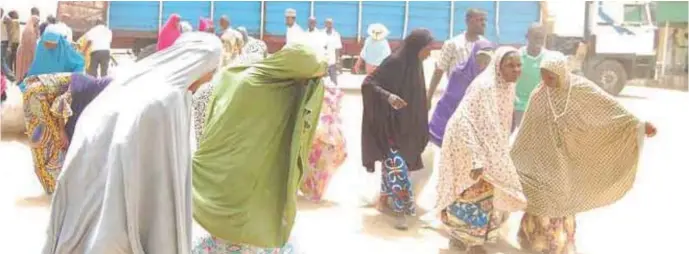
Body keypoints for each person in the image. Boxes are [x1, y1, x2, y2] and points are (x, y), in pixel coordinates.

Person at [42, 32, 222, 254]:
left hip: (88, 182)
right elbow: (155, 179)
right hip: (116, 200)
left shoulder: (141, 80)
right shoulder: (166, 98)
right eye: (211, 71)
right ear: (199, 64)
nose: (210, 78)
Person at [511, 54, 657, 254]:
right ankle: (534, 244)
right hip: (541, 161)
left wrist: (637, 126)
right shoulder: (540, 94)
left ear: (561, 73)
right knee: (539, 199)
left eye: (551, 77)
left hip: (568, 161)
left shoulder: (581, 89)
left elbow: (611, 110)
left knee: (560, 200)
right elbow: (527, 130)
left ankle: (558, 245)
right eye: (543, 75)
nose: (546, 81)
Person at [191, 43, 326, 252]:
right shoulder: (257, 85)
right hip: (239, 174)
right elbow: (311, 61)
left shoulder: (240, 80)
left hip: (223, 174)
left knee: (228, 232)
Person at [436, 47, 527, 254]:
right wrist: (476, 158)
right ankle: (459, 239)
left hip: (485, 145)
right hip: (465, 143)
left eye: (519, 65)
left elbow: (499, 125)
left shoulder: (507, 86)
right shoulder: (485, 87)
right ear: (498, 66)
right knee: (468, 190)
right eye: (510, 65)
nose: (516, 70)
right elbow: (468, 122)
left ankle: (475, 241)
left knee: (486, 192)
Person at [361, 28, 434, 230]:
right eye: (428, 48)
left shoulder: (415, 64)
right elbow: (368, 83)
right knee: (397, 166)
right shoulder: (395, 62)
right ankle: (400, 210)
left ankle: (384, 200)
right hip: (391, 126)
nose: (430, 52)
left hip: (408, 127)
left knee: (394, 165)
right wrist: (389, 97)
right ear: (416, 47)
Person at [21, 73, 113, 195]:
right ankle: (53, 190)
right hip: (37, 96)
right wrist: (61, 130)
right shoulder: (85, 89)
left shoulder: (90, 87)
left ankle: (51, 187)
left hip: (36, 93)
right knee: (52, 143)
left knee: (46, 145)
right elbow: (60, 103)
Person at [428, 40, 494, 146]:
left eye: (487, 61)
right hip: (450, 120)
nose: (483, 65)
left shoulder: (491, 78)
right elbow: (452, 100)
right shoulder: (459, 74)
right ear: (473, 56)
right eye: (480, 60)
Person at [427, 8, 487, 105]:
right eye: (479, 20)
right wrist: (429, 97)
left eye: (484, 20)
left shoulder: (485, 45)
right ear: (468, 22)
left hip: (479, 99)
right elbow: (439, 71)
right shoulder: (453, 44)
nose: (483, 24)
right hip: (456, 98)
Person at [300, 78, 347, 202]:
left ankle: (313, 191)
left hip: (320, 132)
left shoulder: (312, 89)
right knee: (321, 165)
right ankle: (316, 192)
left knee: (313, 163)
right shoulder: (331, 88)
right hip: (330, 132)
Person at [19, 27, 85, 92]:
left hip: (59, 86)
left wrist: (73, 79)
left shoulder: (65, 50)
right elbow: (36, 67)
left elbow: (79, 63)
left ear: (58, 42)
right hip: (42, 86)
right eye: (46, 43)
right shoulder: (41, 47)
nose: (48, 46)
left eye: (52, 44)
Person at [513, 23, 549, 132]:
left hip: (542, 108)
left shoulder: (549, 58)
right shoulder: (517, 56)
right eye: (535, 36)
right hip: (519, 106)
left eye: (541, 37)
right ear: (527, 37)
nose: (538, 40)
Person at [15, 15, 40, 81]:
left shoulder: (33, 29)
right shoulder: (29, 30)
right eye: (37, 22)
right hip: (25, 51)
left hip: (27, 51)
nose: (38, 24)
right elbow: (30, 44)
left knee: (25, 67)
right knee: (24, 67)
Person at [324, 18, 343, 85]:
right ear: (325, 24)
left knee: (334, 81)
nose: (329, 25)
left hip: (332, 61)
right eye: (327, 23)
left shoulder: (336, 34)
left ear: (332, 24)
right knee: (323, 81)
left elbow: (337, 49)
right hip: (323, 61)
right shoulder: (321, 34)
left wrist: (337, 60)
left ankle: (335, 92)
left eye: (330, 23)